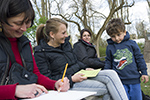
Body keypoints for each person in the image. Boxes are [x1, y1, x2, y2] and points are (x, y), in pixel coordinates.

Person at [34, 17, 128, 100]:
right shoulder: (41, 53)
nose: (66, 35)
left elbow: (76, 62)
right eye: (63, 33)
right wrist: (72, 79)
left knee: (111, 74)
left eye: (66, 32)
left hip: (81, 74)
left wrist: (85, 68)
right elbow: (47, 80)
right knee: (107, 87)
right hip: (69, 84)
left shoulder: (66, 45)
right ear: (52, 34)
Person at [0, 0, 70, 99]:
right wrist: (14, 90)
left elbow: (35, 75)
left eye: (28, 22)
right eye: (18, 23)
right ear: (2, 19)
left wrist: (55, 84)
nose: (24, 28)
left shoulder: (25, 44)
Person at [104, 18, 149, 100]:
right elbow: (108, 62)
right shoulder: (110, 47)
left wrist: (144, 72)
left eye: (118, 34)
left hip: (134, 80)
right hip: (119, 82)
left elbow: (139, 59)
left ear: (124, 32)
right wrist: (106, 75)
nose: (117, 38)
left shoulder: (132, 44)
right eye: (113, 36)